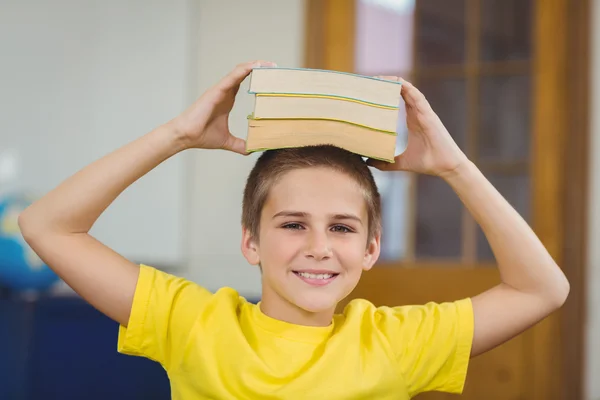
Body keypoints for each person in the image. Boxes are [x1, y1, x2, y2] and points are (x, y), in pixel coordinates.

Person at [18, 60, 569, 399]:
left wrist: (455, 168)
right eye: (293, 224)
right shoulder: (192, 323)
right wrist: (178, 135)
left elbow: (542, 289)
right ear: (250, 241)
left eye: (343, 228)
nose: (319, 248)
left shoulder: (398, 343)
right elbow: (46, 226)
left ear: (371, 247)